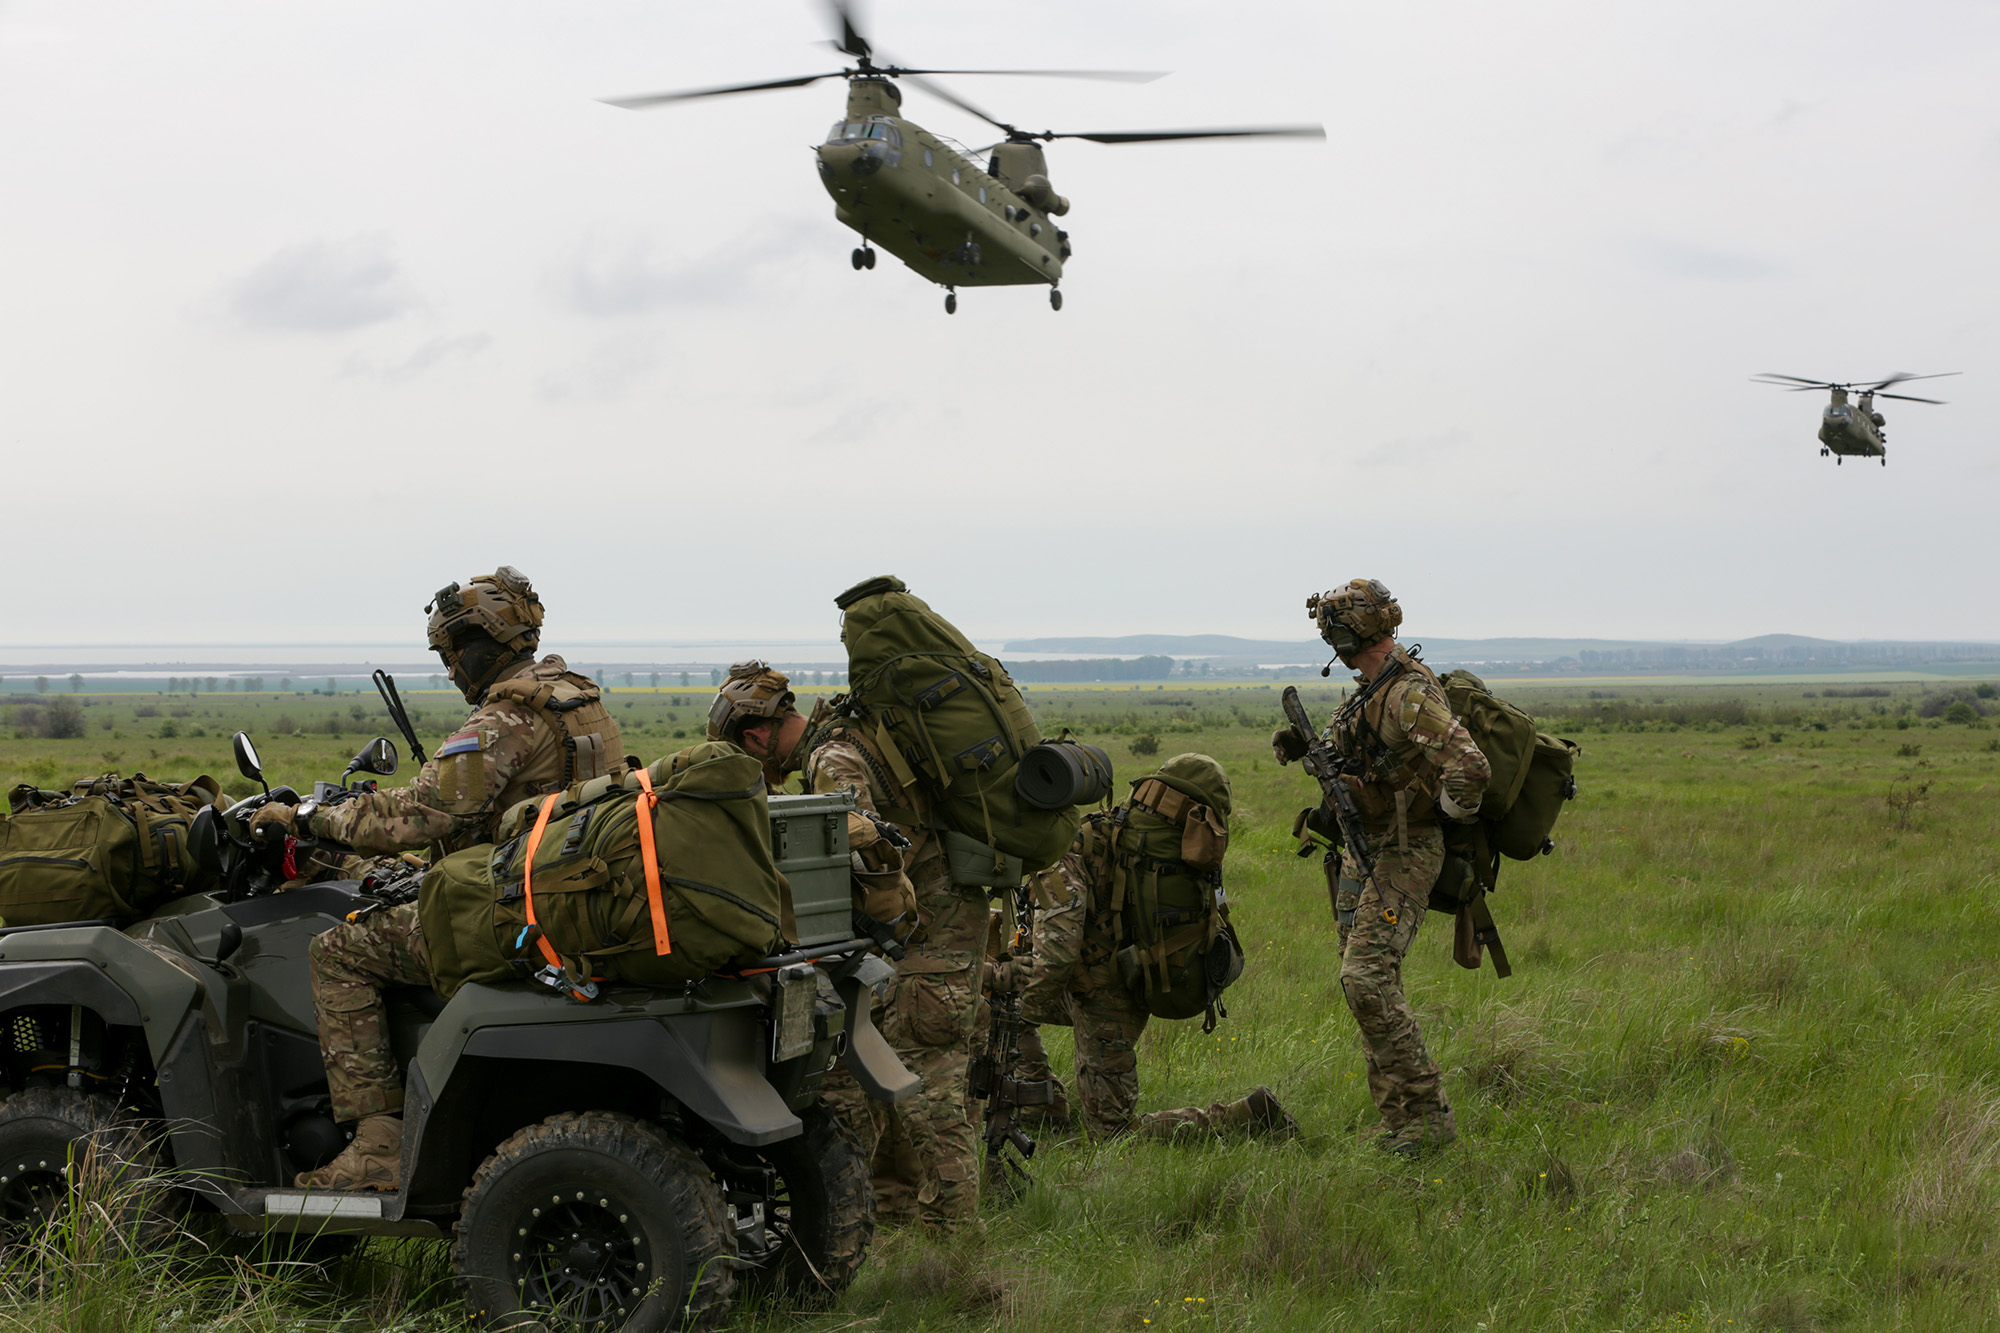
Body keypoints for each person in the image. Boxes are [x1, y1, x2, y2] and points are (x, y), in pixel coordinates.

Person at [246, 567, 623, 1190]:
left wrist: (311, 816)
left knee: (338, 950)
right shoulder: (575, 699)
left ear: (487, 643)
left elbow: (415, 814)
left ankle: (378, 1145)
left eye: (454, 653)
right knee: (389, 883)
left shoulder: (506, 719)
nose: (451, 670)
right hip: (561, 888)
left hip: (512, 912)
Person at [1273, 578, 1490, 1157]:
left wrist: (1436, 817)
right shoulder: (1373, 688)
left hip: (1402, 852)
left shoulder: (1408, 692)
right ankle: (1400, 1122)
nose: (1329, 640)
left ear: (1348, 634)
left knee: (1365, 978)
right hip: (1360, 848)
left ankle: (1427, 1118)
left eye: (1332, 630)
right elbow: (1363, 753)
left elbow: (1470, 768)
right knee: (1371, 983)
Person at [1005, 753, 1295, 1143]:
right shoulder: (1125, 838)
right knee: (1002, 999)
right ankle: (1044, 1108)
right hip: (1133, 976)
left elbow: (1057, 955)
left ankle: (1246, 1117)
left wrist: (1023, 1009)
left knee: (1114, 1137)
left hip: (1103, 999)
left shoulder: (1068, 849)